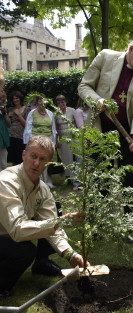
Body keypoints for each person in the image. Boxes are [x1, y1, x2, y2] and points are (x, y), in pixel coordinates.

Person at [0, 136, 88, 299]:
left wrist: (70, 255)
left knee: (55, 211)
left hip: (10, 236)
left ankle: (41, 263)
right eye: (33, 156)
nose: (36, 163)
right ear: (23, 155)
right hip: (7, 234)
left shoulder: (43, 189)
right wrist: (58, 222)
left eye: (42, 159)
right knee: (24, 251)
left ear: (48, 162)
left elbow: (53, 225)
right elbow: (17, 230)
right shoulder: (6, 181)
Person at [78, 36, 133, 192]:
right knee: (100, 181)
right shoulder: (105, 57)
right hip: (100, 129)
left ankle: (132, 215)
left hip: (127, 134)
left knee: (130, 183)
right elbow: (84, 86)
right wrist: (97, 100)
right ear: (130, 48)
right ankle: (98, 214)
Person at [23, 94, 58, 188]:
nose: (41, 102)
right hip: (36, 139)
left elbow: (53, 128)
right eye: (39, 100)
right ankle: (37, 181)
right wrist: (29, 142)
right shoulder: (32, 112)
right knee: (36, 161)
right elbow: (28, 127)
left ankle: (47, 182)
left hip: (48, 139)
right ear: (37, 102)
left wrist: (53, 142)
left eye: (43, 100)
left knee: (46, 160)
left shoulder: (50, 113)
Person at [55, 94, 77, 183]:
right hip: (63, 138)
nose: (61, 104)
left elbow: (77, 123)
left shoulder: (72, 110)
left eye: (62, 102)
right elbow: (56, 128)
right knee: (66, 158)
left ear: (66, 102)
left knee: (74, 157)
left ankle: (76, 177)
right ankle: (68, 177)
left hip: (73, 136)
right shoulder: (56, 113)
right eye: (59, 103)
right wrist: (57, 141)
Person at [7, 90, 29, 165]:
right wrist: (8, 116)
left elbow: (27, 124)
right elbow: (8, 123)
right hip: (11, 135)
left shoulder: (26, 109)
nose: (15, 100)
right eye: (13, 98)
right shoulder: (10, 109)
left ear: (20, 99)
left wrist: (18, 115)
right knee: (13, 159)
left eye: (17, 98)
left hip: (21, 136)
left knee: (21, 158)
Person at [0, 90, 10, 171]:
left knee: (3, 164)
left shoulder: (4, 109)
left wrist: (5, 113)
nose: (1, 99)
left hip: (3, 139)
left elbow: (8, 124)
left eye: (3, 97)